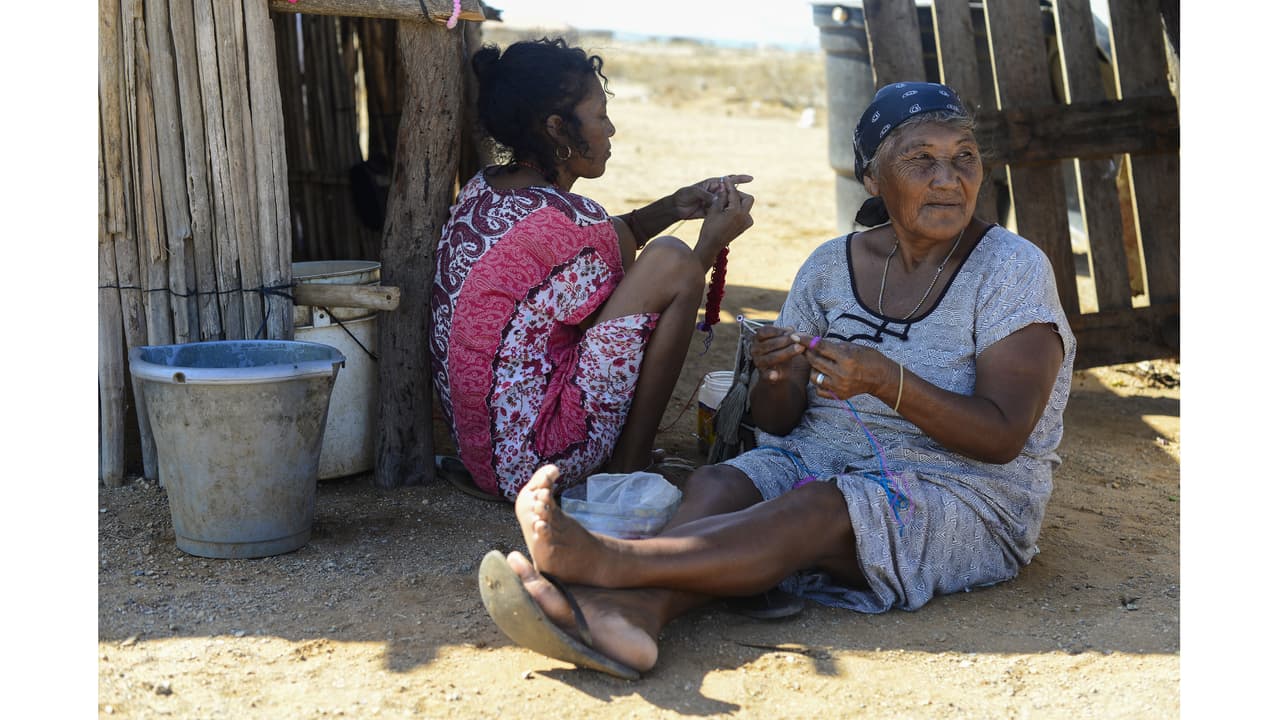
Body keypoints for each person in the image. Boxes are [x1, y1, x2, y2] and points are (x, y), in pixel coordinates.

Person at [476, 81, 1077, 677]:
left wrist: (886, 380)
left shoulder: (1012, 271)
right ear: (871, 178)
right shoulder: (829, 267)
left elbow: (1002, 438)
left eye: (963, 156)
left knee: (817, 507)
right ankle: (628, 622)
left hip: (962, 492)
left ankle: (606, 565)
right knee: (718, 486)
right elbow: (780, 422)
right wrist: (777, 373)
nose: (949, 177)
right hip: (820, 456)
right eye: (921, 158)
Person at [431, 38, 755, 500]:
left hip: (485, 453)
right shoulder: (576, 224)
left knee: (664, 259)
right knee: (671, 258)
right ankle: (629, 464)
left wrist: (672, 207)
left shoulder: (485, 189)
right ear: (558, 129)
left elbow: (588, 246)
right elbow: (651, 307)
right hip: (538, 463)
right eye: (600, 116)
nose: (611, 129)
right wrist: (708, 244)